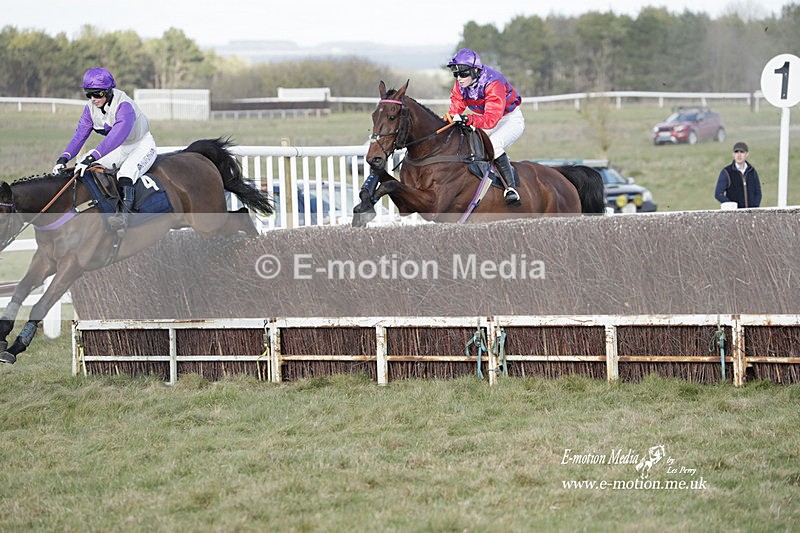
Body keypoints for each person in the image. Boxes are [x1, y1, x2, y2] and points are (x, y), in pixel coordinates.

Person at [52, 67, 157, 230]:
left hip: (141, 144)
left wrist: (91, 157)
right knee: (82, 164)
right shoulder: (90, 108)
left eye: (97, 94)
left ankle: (124, 217)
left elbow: (115, 138)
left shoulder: (124, 106)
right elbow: (80, 135)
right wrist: (63, 158)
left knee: (125, 173)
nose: (93, 99)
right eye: (89, 94)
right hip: (122, 147)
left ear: (108, 91)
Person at [443, 48, 525, 206]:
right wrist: (448, 120)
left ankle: (511, 188)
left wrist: (467, 119)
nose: (459, 78)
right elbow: (455, 109)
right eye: (456, 74)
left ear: (475, 70)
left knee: (494, 144)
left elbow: (491, 120)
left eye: (463, 74)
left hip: (509, 119)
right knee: (469, 143)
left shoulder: (494, 83)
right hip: (486, 118)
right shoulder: (461, 84)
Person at [714, 141, 762, 209]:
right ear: (733, 154)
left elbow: (758, 193)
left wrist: (754, 208)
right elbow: (718, 194)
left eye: (742, 152)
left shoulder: (752, 171)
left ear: (747, 154)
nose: (739, 155)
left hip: (751, 213)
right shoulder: (726, 172)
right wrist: (732, 206)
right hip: (734, 214)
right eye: (736, 152)